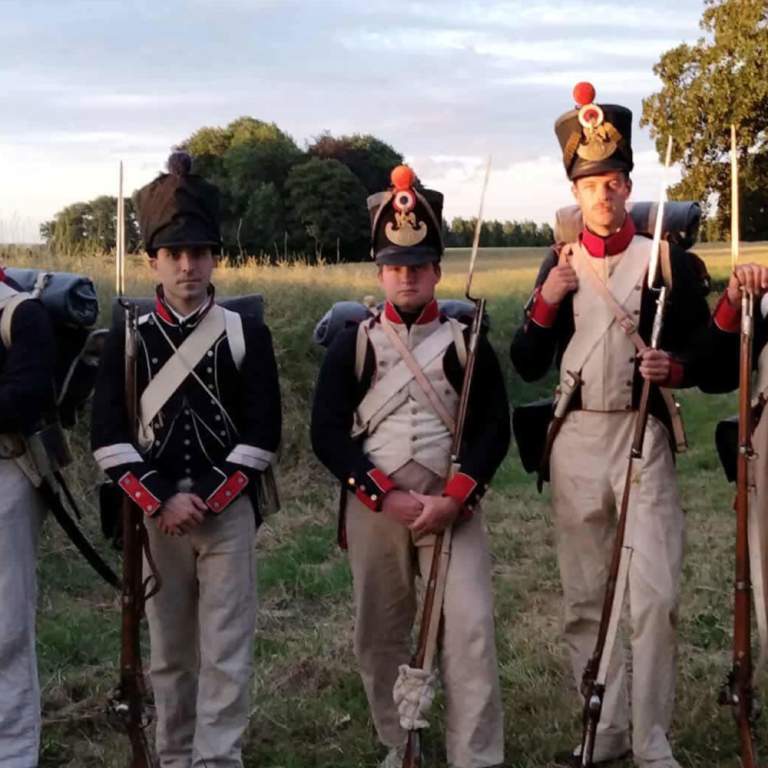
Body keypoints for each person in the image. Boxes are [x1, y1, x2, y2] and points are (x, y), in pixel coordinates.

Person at [510, 83, 711, 768]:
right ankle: (604, 730)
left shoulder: (666, 262)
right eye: (590, 182)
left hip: (640, 436)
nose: (604, 193)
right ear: (576, 188)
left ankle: (652, 740)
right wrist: (547, 300)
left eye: (614, 179)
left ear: (628, 184)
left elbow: (708, 360)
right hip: (575, 440)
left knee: (652, 596)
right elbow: (528, 361)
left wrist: (672, 369)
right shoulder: (558, 266)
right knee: (583, 600)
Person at [311, 165, 510, 768]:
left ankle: (475, 755)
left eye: (418, 265)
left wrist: (455, 497)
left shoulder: (467, 342)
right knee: (380, 634)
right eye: (396, 266)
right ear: (380, 271)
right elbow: (326, 434)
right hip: (378, 505)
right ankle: (400, 746)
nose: (407, 276)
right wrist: (380, 495)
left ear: (437, 272)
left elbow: (490, 430)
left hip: (451, 504)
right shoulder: (355, 341)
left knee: (471, 630)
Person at [91, 150, 281, 768]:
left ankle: (217, 758)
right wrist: (159, 499)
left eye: (199, 253)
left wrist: (215, 498)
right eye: (175, 254)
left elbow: (263, 430)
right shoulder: (128, 333)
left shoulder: (243, 327)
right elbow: (109, 434)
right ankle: (174, 756)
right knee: (170, 652)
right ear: (154, 261)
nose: (188, 266)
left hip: (226, 515)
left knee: (226, 648)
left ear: (213, 258)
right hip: (157, 519)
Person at [0, 265, 55, 766]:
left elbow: (26, 397)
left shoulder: (21, 313)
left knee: (5, 630)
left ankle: (13, 755)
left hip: (6, 477)